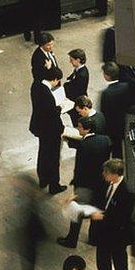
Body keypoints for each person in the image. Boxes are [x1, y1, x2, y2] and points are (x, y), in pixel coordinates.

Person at [57, 117, 111, 248]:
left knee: (77, 212)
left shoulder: (83, 145)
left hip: (85, 185)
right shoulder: (105, 140)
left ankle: (71, 240)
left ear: (86, 129)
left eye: (79, 127)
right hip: (101, 183)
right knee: (97, 210)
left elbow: (80, 168)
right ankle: (94, 238)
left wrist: (76, 189)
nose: (78, 129)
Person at [90, 159, 135, 270]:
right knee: (102, 264)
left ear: (115, 174)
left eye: (106, 172)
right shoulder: (106, 182)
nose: (103, 174)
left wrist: (102, 218)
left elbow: (122, 218)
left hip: (117, 236)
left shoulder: (128, 193)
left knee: (120, 265)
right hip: (103, 233)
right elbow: (100, 199)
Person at [30, 63, 66, 192]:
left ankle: (43, 179)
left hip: (39, 127)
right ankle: (54, 185)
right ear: (55, 79)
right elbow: (51, 114)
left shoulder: (36, 85)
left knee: (43, 153)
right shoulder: (47, 94)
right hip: (50, 130)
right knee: (53, 157)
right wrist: (60, 108)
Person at [99, 62, 132, 159]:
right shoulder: (126, 86)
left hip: (111, 126)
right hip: (124, 121)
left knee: (114, 147)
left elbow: (104, 113)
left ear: (107, 76)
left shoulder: (106, 93)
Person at [63, 49, 90, 124]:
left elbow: (77, 91)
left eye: (71, 60)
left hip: (77, 102)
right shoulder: (78, 69)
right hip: (75, 100)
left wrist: (66, 85)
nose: (70, 62)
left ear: (78, 60)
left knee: (77, 122)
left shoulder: (82, 75)